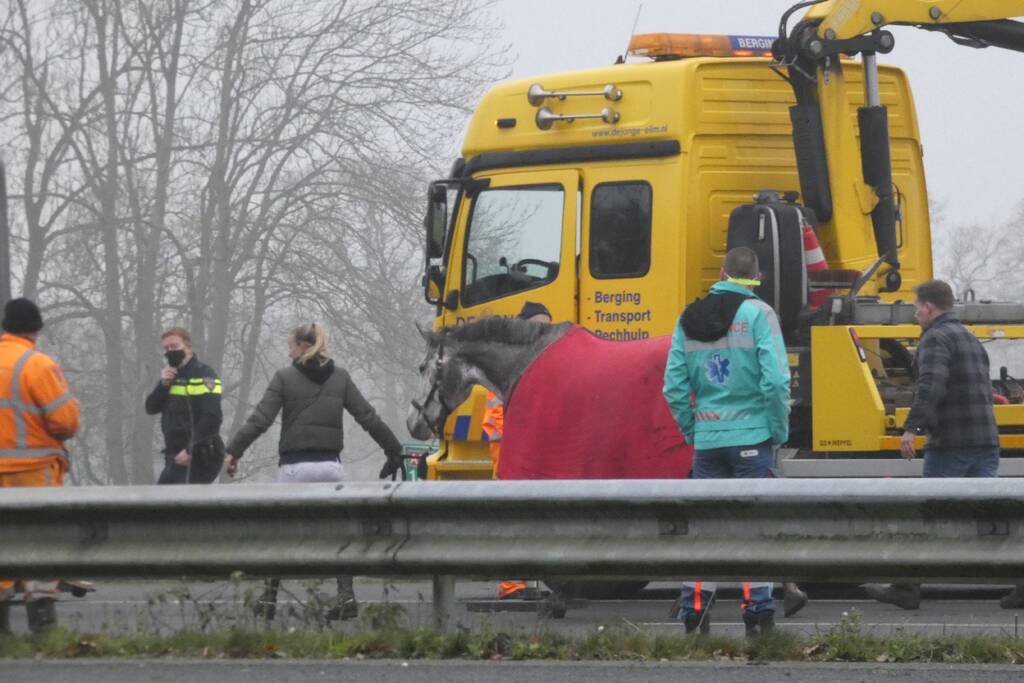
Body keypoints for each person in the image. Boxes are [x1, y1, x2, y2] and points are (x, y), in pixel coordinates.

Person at [224, 322, 404, 621]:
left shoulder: (284, 377)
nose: (288, 350)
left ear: (303, 347)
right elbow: (368, 417)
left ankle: (269, 598)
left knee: (279, 535)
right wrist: (393, 450)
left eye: (291, 345)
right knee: (339, 535)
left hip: (295, 469)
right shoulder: (341, 377)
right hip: (331, 468)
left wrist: (234, 451)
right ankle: (346, 597)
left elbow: (260, 420)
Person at [662, 247, 790, 637]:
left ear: (721, 272)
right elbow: (776, 381)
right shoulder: (758, 314)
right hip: (753, 437)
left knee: (705, 529)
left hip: (708, 441)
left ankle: (695, 611)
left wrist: (694, 430)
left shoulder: (690, 317)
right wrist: (777, 431)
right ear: (756, 277)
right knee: (754, 528)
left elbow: (673, 388)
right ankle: (757, 611)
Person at [866, 279, 1000, 610]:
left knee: (927, 515)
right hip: (986, 441)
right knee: (993, 519)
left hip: (952, 443)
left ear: (928, 307)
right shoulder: (970, 338)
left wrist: (911, 428)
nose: (915, 315)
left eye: (915, 308)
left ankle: (906, 586)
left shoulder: (935, 339)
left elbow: (931, 386)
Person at [0, 298, 80, 634]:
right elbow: (65, 423)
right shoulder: (38, 366)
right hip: (34, 471)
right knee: (41, 543)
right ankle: (42, 624)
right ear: (36, 328)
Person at [490, 301, 551, 601]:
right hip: (507, 447)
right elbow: (497, 413)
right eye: (538, 324)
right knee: (511, 515)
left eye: (547, 325)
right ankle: (511, 583)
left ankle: (526, 582)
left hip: (525, 447)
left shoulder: (534, 358)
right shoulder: (510, 360)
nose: (543, 330)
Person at [145, 327, 224, 484]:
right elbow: (150, 408)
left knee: (164, 502)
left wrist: (190, 450)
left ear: (188, 346)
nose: (169, 351)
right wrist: (163, 385)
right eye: (166, 348)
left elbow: (212, 417)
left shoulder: (204, 374)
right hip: (175, 454)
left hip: (199, 454)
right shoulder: (171, 376)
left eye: (174, 346)